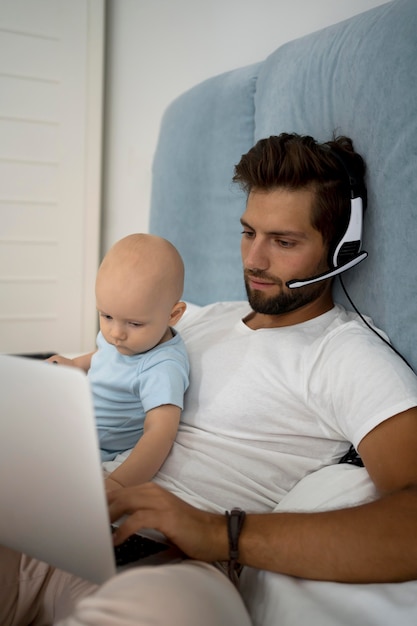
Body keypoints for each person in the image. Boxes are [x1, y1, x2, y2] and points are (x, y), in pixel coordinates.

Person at [2, 133, 417, 626]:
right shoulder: (202, 318)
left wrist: (224, 534)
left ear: (340, 248)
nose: (255, 260)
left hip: (174, 564)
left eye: (284, 242)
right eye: (248, 233)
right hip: (58, 522)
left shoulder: (346, 355)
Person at [47, 233, 189, 491]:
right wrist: (75, 364)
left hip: (91, 445)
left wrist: (119, 483)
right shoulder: (125, 337)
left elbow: (160, 434)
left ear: (173, 314)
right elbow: (103, 355)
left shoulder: (162, 368)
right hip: (72, 418)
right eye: (107, 316)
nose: (115, 333)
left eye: (134, 323)